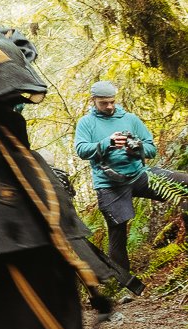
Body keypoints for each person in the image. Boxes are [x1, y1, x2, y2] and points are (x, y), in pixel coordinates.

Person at [74, 80, 188, 280]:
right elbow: (82, 150)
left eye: (112, 102)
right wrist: (106, 143)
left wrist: (137, 147)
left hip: (139, 175)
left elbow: (151, 149)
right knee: (117, 233)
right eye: (104, 103)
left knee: (184, 185)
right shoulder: (86, 123)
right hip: (109, 184)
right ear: (94, 101)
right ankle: (124, 284)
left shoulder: (130, 119)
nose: (109, 106)